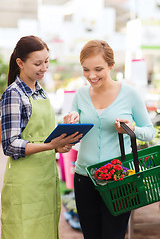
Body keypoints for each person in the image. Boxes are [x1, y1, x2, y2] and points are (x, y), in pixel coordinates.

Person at [64, 40, 155, 239]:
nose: (91, 76)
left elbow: (149, 132)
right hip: (84, 177)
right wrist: (70, 122)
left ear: (111, 66)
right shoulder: (80, 95)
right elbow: (73, 126)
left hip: (118, 179)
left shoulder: (130, 94)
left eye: (98, 69)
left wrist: (131, 129)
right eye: (86, 69)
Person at [0, 35, 82, 239]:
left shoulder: (40, 92)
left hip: (45, 179)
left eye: (46, 61)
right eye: (38, 63)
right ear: (20, 63)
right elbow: (10, 145)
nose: (44, 67)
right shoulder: (13, 94)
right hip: (25, 183)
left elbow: (43, 137)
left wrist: (60, 144)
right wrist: (50, 146)